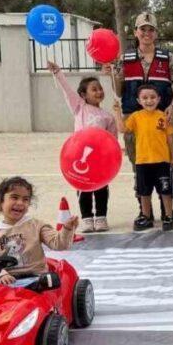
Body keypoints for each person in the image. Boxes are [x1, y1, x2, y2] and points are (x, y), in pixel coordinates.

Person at [103, 12, 173, 225]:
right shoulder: (125, 59)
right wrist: (111, 75)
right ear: (136, 32)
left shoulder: (168, 58)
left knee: (164, 164)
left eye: (151, 29)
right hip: (134, 118)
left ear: (156, 33)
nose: (146, 33)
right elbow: (118, 89)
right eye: (142, 29)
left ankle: (168, 211)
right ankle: (144, 211)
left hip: (161, 117)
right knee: (139, 165)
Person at [46, 61, 117, 232]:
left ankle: (101, 217)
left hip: (99, 158)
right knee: (83, 187)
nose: (99, 92)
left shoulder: (108, 117)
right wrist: (58, 73)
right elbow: (67, 91)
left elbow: (112, 140)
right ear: (83, 95)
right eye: (94, 89)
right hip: (80, 157)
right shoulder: (79, 107)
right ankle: (86, 218)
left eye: (100, 88)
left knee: (101, 187)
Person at [0, 176, 77, 284]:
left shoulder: (36, 225)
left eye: (25, 199)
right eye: (14, 197)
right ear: (1, 201)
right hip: (7, 281)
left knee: (51, 282)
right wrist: (2, 274)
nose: (20, 202)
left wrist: (67, 228)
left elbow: (59, 244)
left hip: (37, 278)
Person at [112, 85, 173, 231]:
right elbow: (122, 129)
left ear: (159, 99)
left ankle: (168, 216)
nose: (149, 101)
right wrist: (117, 113)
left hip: (162, 161)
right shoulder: (136, 117)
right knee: (144, 192)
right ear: (139, 100)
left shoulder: (163, 116)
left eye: (153, 97)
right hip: (142, 162)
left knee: (165, 191)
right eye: (145, 98)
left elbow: (170, 139)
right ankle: (146, 216)